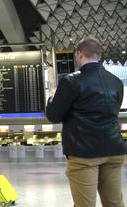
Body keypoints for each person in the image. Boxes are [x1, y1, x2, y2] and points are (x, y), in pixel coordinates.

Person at [46, 37, 127, 207]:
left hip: (84, 153)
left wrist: (49, 102)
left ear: (79, 54)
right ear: (99, 56)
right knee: (114, 203)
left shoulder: (71, 81)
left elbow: (54, 115)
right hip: (114, 150)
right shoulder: (116, 82)